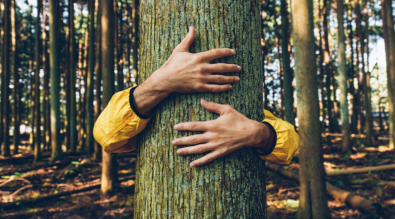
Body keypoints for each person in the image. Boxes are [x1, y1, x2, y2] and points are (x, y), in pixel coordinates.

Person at [94, 27, 299, 167]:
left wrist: (257, 133)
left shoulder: (245, 110)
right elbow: (106, 136)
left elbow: (289, 145)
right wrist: (160, 82)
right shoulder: (147, 103)